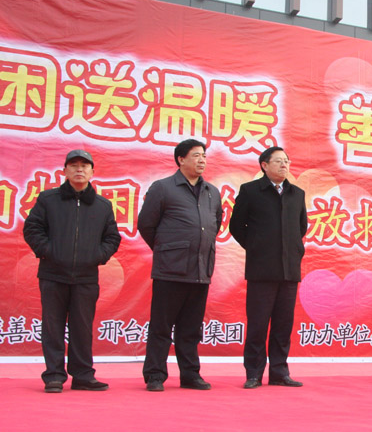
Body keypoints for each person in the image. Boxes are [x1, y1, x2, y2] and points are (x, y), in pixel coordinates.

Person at [23, 149, 121, 393]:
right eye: (74, 165)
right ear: (65, 170)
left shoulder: (102, 205)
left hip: (86, 277)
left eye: (84, 165)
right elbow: (32, 228)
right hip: (53, 274)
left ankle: (83, 375)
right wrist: (49, 251)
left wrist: (97, 256)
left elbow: (112, 237)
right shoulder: (48, 199)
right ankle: (54, 376)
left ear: (92, 171)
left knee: (82, 328)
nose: (79, 169)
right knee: (53, 327)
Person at [138, 139, 222, 392]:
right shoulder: (163, 188)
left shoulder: (212, 192)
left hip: (200, 270)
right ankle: (155, 375)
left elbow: (215, 224)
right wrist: (168, 249)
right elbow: (146, 225)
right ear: (181, 159)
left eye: (204, 155)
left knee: (191, 329)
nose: (202, 160)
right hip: (170, 270)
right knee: (162, 327)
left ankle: (190, 374)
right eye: (196, 155)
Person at [230, 146, 308, 389]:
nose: (284, 165)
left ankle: (279, 372)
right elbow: (236, 226)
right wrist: (256, 247)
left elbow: (301, 227)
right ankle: (253, 373)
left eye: (287, 161)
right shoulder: (251, 191)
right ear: (264, 165)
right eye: (278, 161)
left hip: (289, 271)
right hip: (261, 271)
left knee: (283, 325)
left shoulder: (297, 193)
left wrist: (292, 250)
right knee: (258, 324)